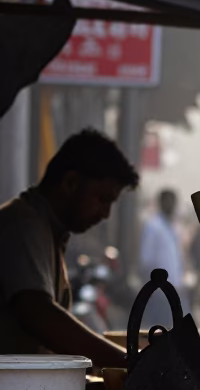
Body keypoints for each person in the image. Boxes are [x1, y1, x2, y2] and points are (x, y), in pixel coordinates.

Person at [0, 128, 137, 366]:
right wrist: (126, 361)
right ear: (71, 183)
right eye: (102, 199)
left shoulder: (48, 232)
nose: (105, 214)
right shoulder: (23, 225)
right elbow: (38, 313)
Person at [139, 188, 186, 328]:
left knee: (170, 326)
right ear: (161, 203)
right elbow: (146, 258)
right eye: (168, 202)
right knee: (158, 328)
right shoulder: (153, 226)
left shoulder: (172, 227)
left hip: (173, 287)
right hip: (158, 289)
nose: (170, 205)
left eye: (173, 202)